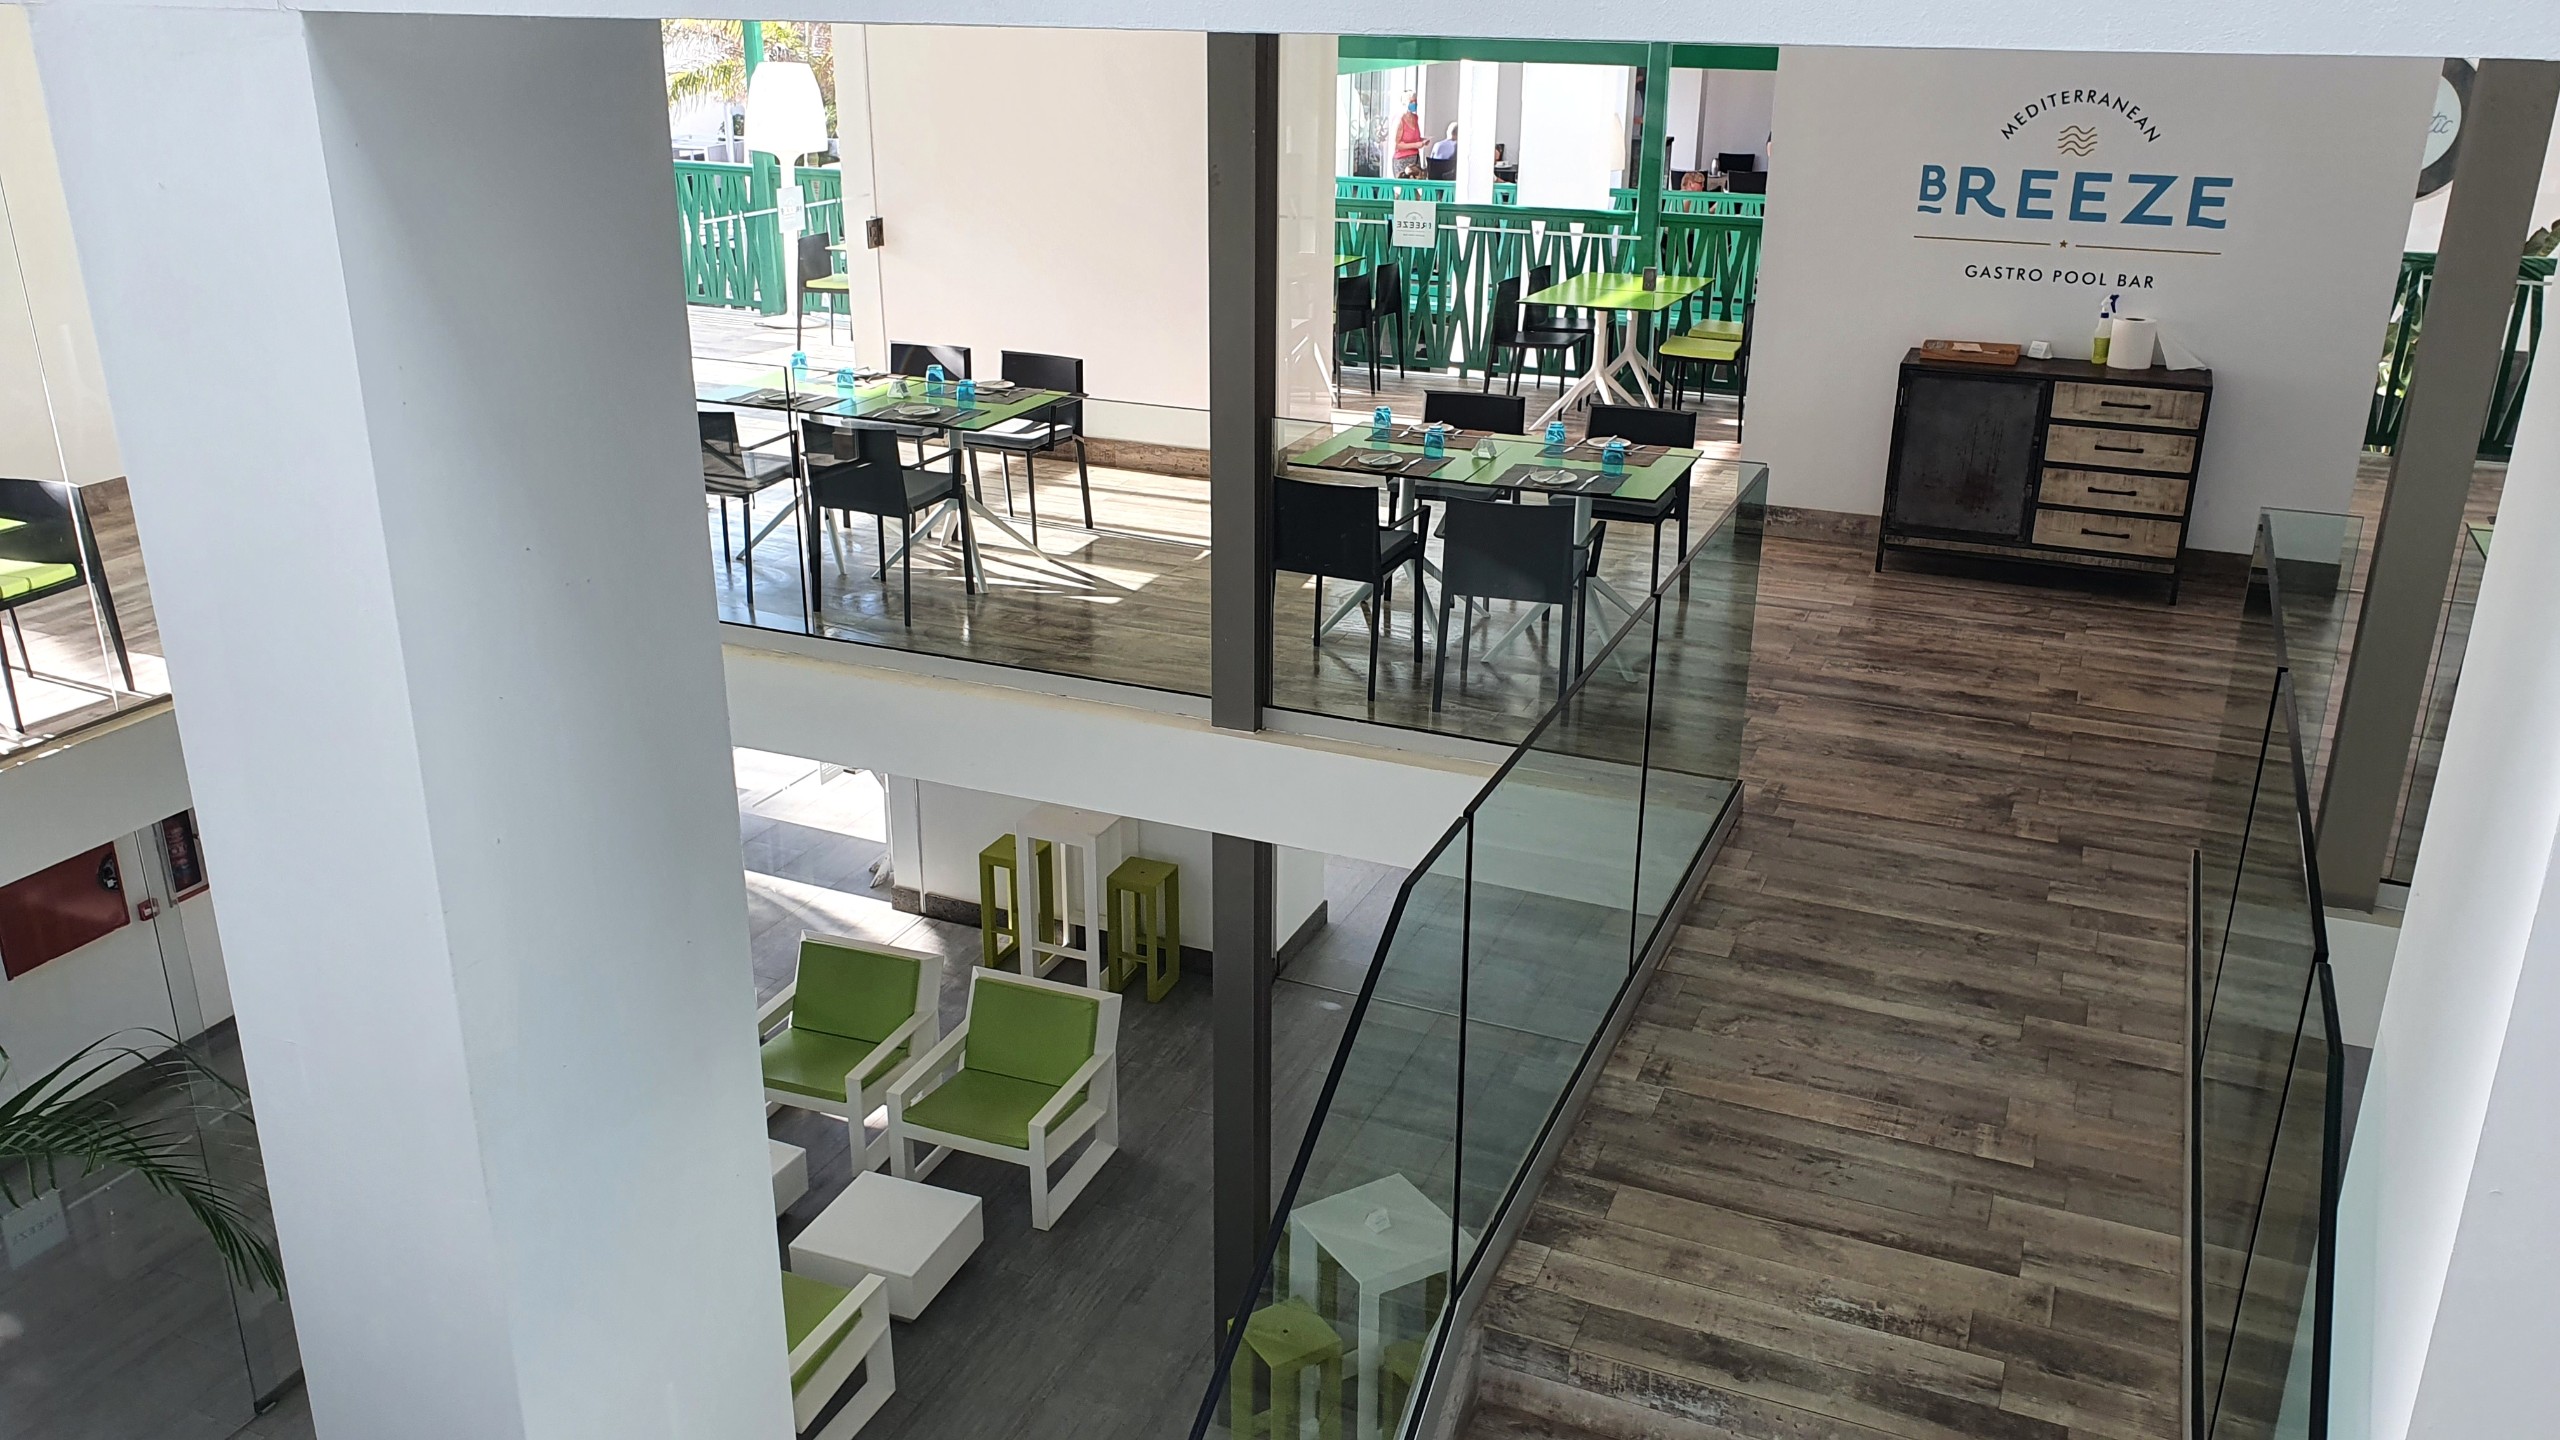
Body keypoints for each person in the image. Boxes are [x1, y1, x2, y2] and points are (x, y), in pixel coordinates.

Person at [1392, 97, 1426, 178]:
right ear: (1404, 102)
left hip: (1415, 159)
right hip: (1402, 159)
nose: (1414, 103)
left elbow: (1414, 138)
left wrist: (1423, 141)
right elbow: (1397, 144)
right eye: (1411, 101)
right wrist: (1416, 145)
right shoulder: (1399, 119)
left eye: (1415, 101)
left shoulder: (1415, 118)